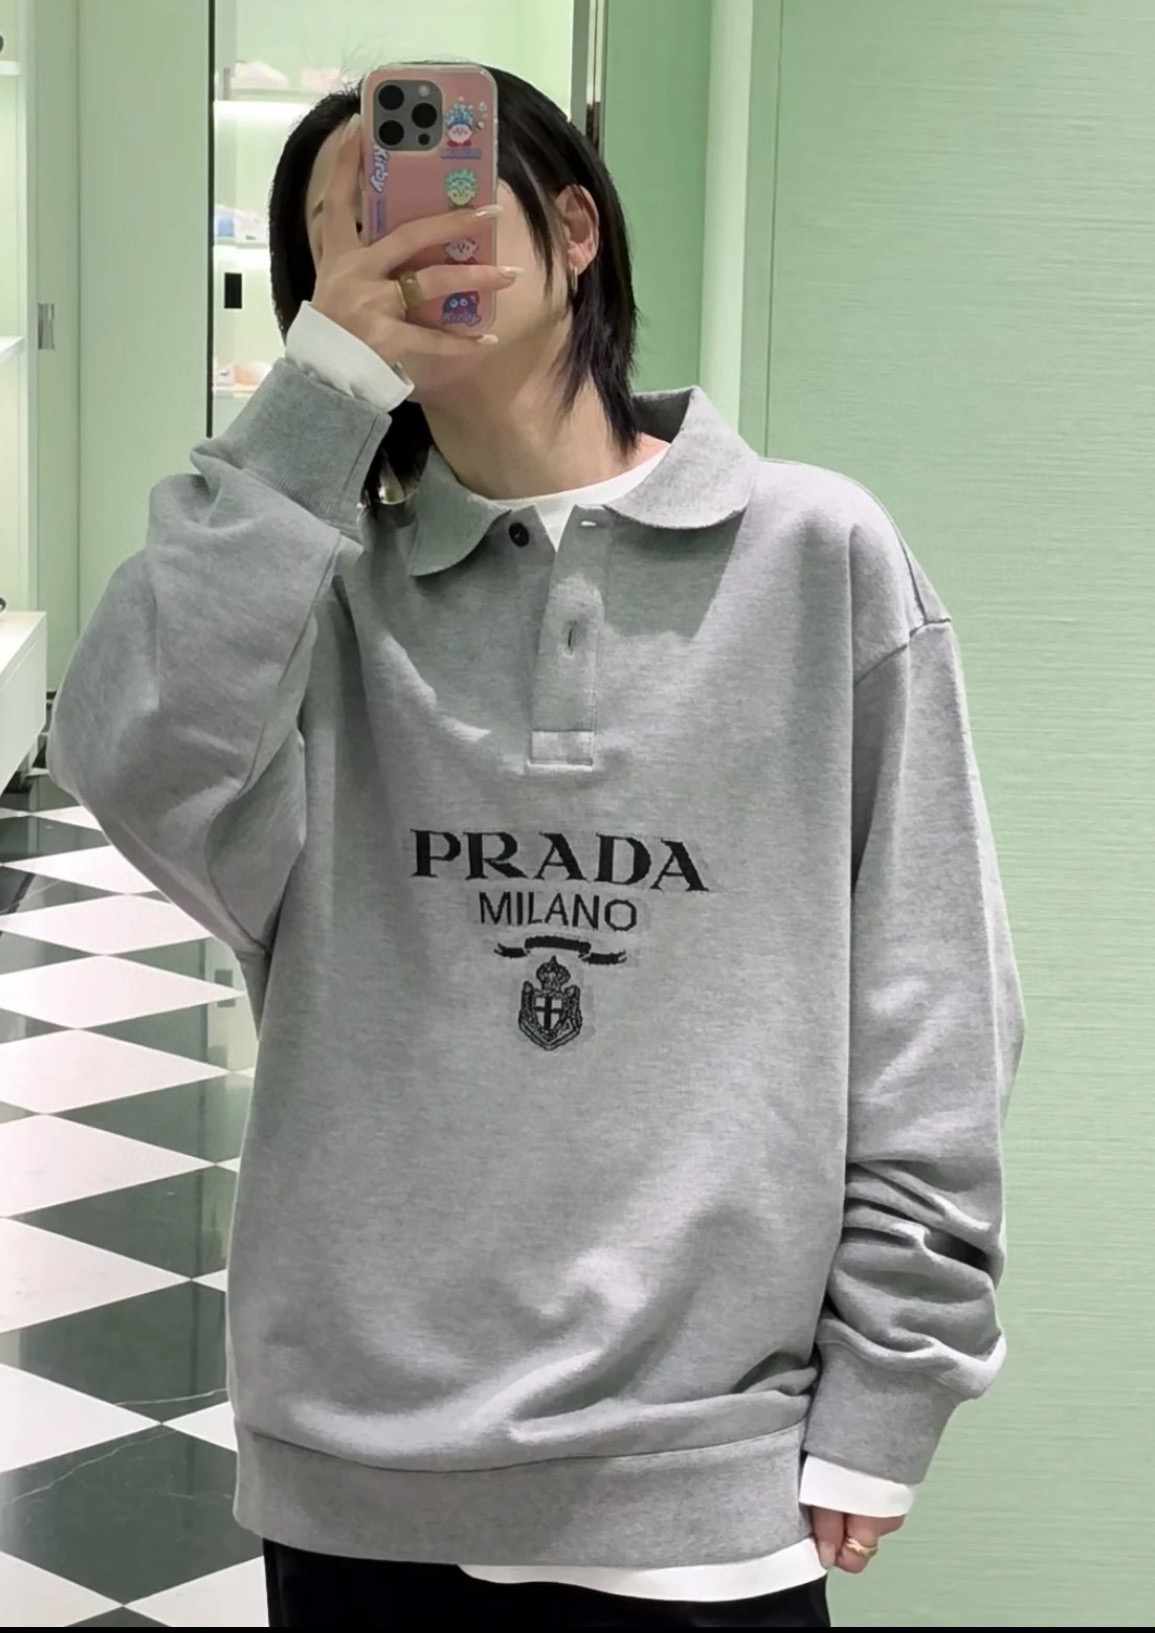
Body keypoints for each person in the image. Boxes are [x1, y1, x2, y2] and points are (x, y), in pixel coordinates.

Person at [46, 66, 1025, 1630]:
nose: (400, 247)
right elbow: (131, 753)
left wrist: (894, 1372)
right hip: (360, 1456)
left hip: (707, 1467)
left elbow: (929, 1000)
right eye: (347, 234)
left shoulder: (814, 557)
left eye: (435, 199)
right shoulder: (311, 595)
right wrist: (315, 401)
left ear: (573, 231)